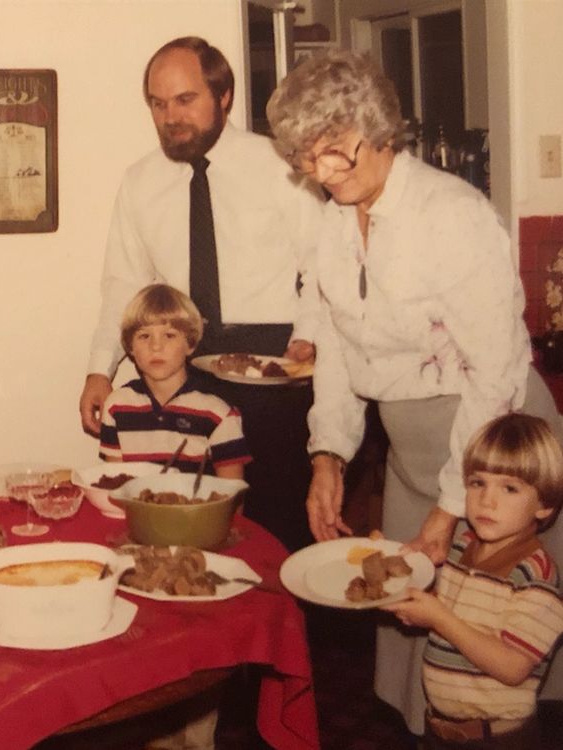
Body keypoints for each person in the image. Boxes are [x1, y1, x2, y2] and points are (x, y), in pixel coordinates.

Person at [265, 48, 563, 735]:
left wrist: (453, 504)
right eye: (307, 157)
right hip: (411, 451)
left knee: (504, 652)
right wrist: (328, 457)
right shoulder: (332, 223)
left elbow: (495, 372)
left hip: (499, 452)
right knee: (415, 652)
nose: (322, 172)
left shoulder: (450, 215)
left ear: (378, 129)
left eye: (336, 153)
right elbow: (337, 344)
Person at [80, 36, 323, 553]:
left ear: (225, 96)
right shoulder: (140, 182)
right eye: (158, 103)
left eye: (185, 99)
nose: (171, 117)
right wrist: (101, 369)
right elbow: (123, 284)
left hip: (274, 368)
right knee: (181, 523)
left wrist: (306, 340)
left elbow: (321, 265)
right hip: (180, 365)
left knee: (277, 527)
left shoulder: (281, 166)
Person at [385, 414, 563, 749]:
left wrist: (439, 617)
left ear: (545, 504)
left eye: (509, 488)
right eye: (477, 482)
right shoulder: (464, 544)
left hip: (498, 739)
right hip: (441, 729)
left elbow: (512, 667)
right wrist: (414, 601)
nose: (487, 500)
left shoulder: (536, 575)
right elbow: (462, 614)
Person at [99, 284, 249, 478]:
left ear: (191, 343)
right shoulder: (116, 407)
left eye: (169, 335)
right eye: (144, 336)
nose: (156, 346)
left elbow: (232, 497)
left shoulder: (218, 414)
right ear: (130, 347)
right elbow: (114, 487)